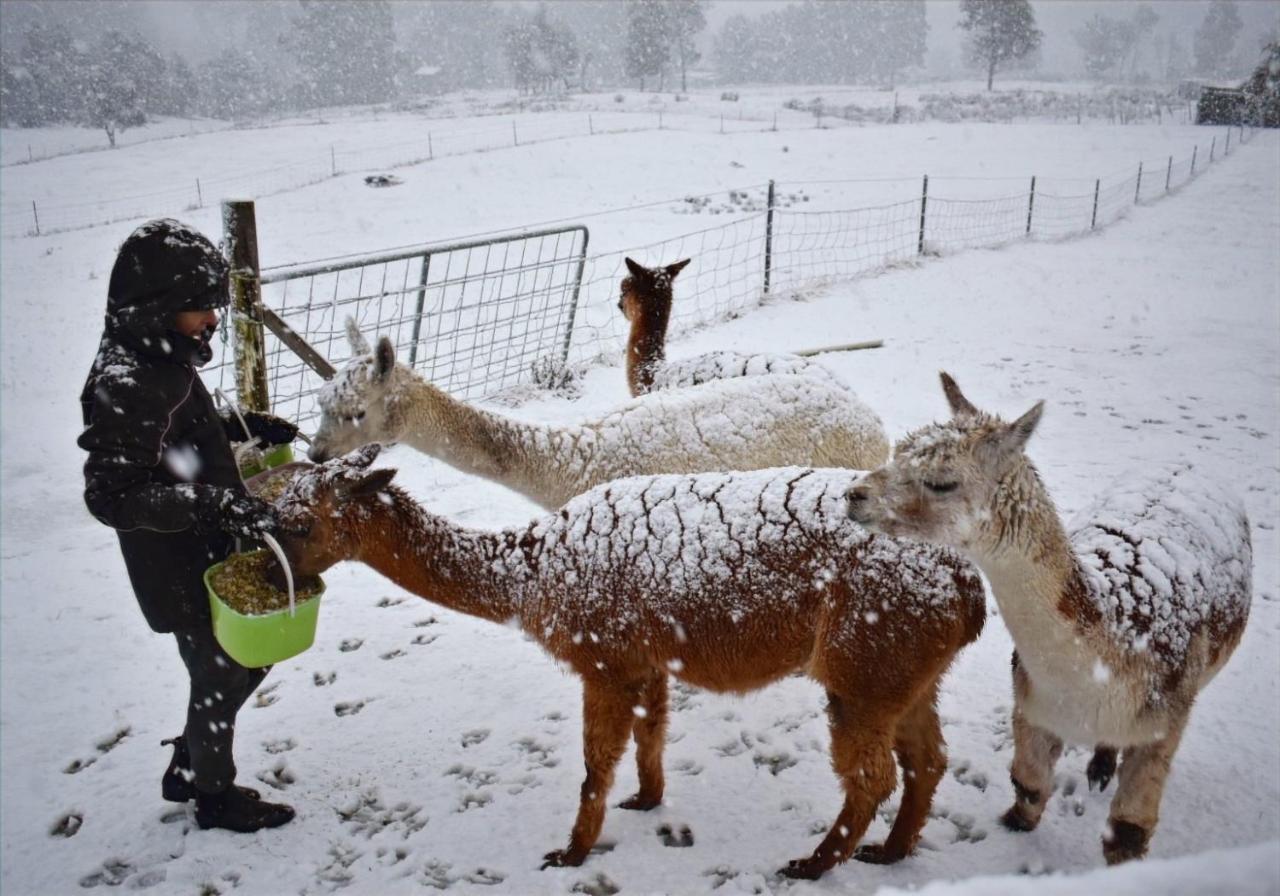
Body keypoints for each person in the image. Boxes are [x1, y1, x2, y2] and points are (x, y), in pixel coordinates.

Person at [78, 218, 300, 833]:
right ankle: (215, 796)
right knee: (229, 667)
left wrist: (241, 428)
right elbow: (112, 494)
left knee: (240, 663)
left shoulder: (156, 355)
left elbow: (177, 430)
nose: (213, 319)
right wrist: (209, 504)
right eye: (200, 307)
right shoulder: (131, 382)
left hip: (204, 547)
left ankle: (190, 762)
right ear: (158, 306)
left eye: (215, 306)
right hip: (178, 562)